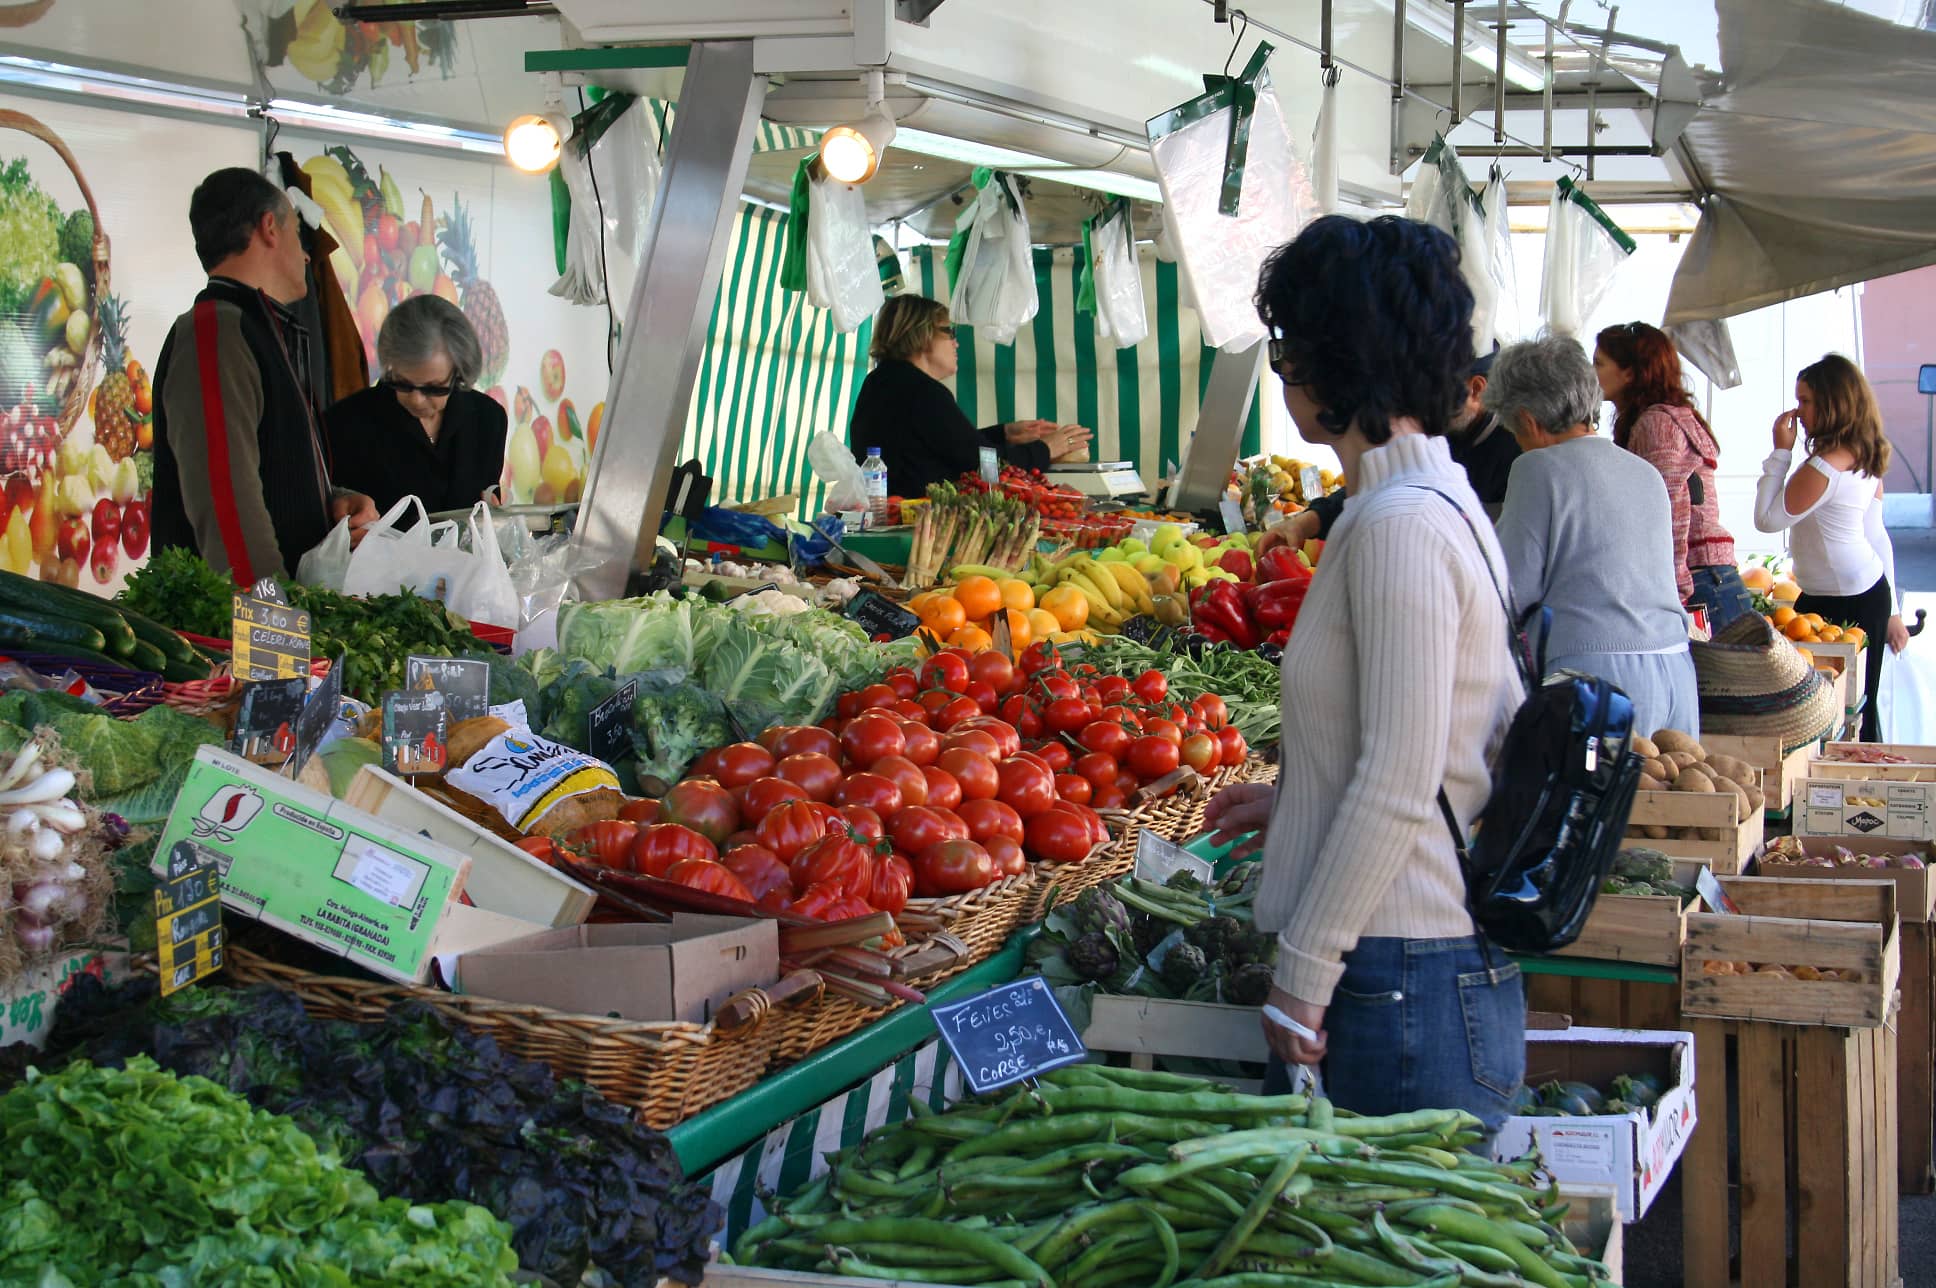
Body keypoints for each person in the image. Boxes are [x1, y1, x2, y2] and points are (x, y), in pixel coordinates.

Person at [1201, 215, 1524, 1131]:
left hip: (1398, 976)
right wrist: (1298, 799)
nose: (1284, 371)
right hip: (1414, 964)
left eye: (1287, 350)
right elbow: (1443, 731)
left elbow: (1399, 780)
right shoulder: (1432, 502)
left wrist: (1303, 979)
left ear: (1334, 360)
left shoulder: (1396, 527)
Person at [151, 167, 376, 584]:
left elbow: (262, 471)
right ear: (270, 227)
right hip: (226, 633)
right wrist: (272, 626)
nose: (307, 256)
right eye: (297, 233)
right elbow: (224, 501)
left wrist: (330, 499)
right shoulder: (214, 329)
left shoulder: (262, 329)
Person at [1489, 337, 1700, 735]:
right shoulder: (1644, 472)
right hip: (1675, 673)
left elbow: (1510, 590)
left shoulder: (1537, 469)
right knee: (1669, 797)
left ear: (1528, 420)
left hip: (1597, 683)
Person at [1753, 354, 1908, 741]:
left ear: (1831, 403)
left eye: (1805, 401)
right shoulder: (1863, 456)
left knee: (1819, 717)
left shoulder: (1823, 468)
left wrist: (1780, 453)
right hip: (1864, 594)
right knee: (1858, 711)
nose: (1797, 412)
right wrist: (1892, 611)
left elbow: (1767, 519)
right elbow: (1876, 534)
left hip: (1839, 602)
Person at [1257, 345, 1516, 554]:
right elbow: (1378, 482)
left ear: (1476, 390)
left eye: (1433, 389)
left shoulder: (1515, 450)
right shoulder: (1436, 437)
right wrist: (1304, 523)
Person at [848, 295, 1092, 497]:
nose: (956, 344)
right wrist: (1046, 448)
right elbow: (982, 466)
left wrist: (1004, 433)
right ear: (922, 334)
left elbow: (943, 445)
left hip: (892, 512)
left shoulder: (883, 381)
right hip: (915, 518)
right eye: (949, 332)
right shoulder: (923, 391)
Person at [1593, 321, 1749, 631]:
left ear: (1630, 372)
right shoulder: (1661, 417)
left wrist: (1674, 596)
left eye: (1598, 363)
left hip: (1699, 582)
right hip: (1706, 577)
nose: (1591, 372)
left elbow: (1668, 513)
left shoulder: (1657, 425)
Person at [325, 296, 508, 522]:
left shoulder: (489, 419)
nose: (417, 399)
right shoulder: (345, 423)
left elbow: (488, 503)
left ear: (459, 374)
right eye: (402, 383)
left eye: (434, 388)